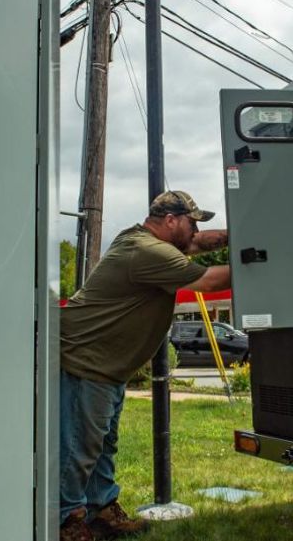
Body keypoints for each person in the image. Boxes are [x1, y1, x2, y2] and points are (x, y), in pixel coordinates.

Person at [59, 191, 230, 541]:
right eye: (191, 221)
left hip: (108, 365)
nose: (196, 229)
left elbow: (197, 244)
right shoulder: (147, 252)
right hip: (87, 361)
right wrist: (260, 258)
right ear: (170, 221)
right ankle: (65, 521)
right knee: (79, 448)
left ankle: (101, 510)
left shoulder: (141, 239)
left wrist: (235, 236)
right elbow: (209, 281)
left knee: (103, 445)